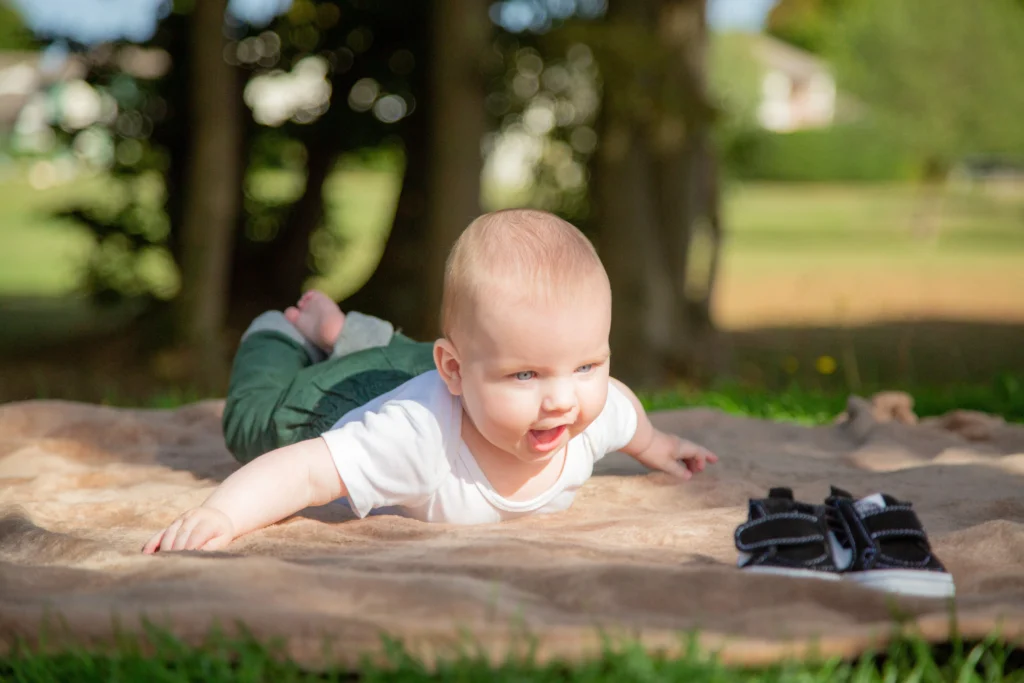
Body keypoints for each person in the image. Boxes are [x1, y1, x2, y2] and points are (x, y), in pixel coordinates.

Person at [143, 209, 717, 553]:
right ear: (456, 373)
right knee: (258, 426)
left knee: (448, 358)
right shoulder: (412, 438)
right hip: (338, 399)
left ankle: (345, 330)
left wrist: (658, 446)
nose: (564, 399)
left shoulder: (585, 406)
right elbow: (306, 469)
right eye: (527, 374)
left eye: (588, 365)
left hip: (431, 366)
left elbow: (624, 412)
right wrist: (223, 514)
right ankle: (283, 336)